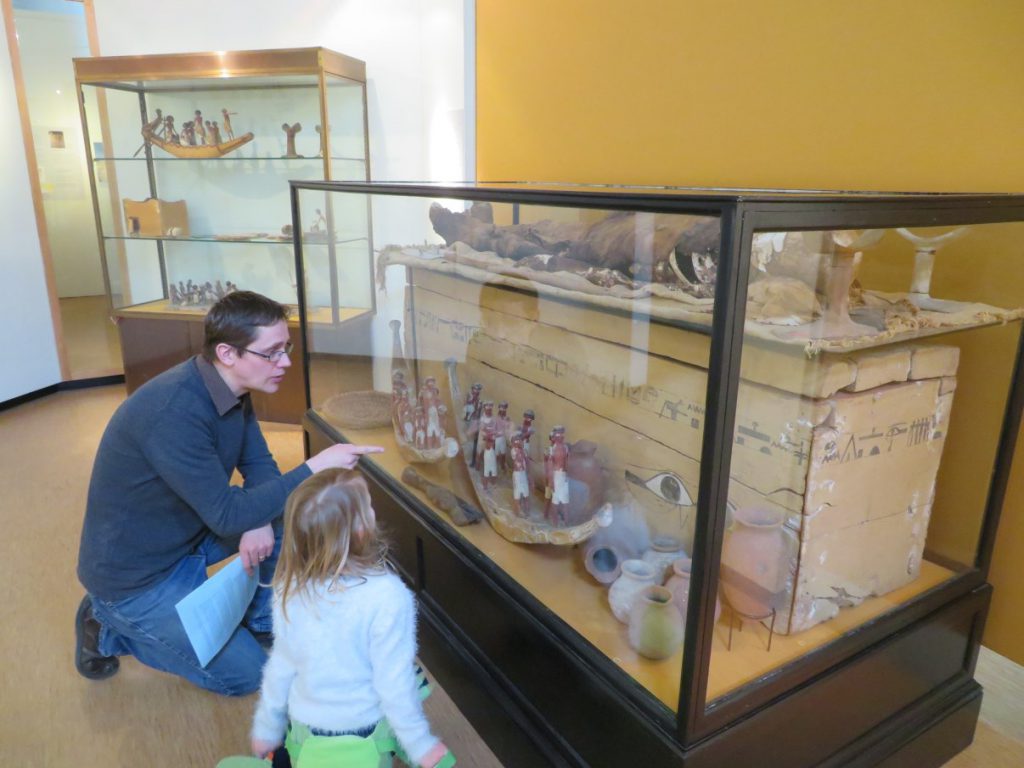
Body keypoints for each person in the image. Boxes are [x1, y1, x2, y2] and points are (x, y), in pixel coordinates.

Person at [75, 290, 383, 695]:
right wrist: (315, 466)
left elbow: (258, 465)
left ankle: (256, 623)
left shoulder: (229, 387)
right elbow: (226, 516)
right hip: (136, 579)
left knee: (286, 512)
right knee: (247, 677)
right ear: (227, 353)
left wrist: (257, 521)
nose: (286, 362)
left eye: (286, 348)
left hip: (185, 535)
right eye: (272, 353)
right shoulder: (172, 412)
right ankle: (105, 625)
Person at [250, 469, 453, 768]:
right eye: (368, 505)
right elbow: (392, 684)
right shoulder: (389, 595)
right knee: (410, 677)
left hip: (305, 733)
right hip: (367, 734)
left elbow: (281, 665)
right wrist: (421, 745)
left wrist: (267, 728)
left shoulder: (288, 589)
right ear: (360, 530)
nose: (373, 509)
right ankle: (402, 741)